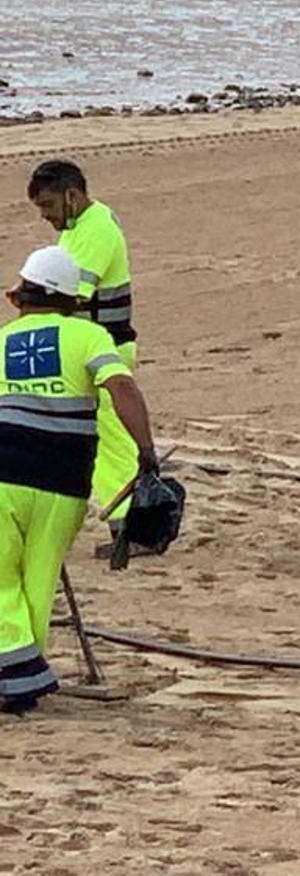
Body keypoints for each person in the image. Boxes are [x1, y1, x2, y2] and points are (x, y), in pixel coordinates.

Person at [0, 246, 158, 715]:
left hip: (5, 474)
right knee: (38, 580)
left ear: (22, 297)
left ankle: (18, 675)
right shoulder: (89, 337)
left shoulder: (4, 339)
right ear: (70, 300)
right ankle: (20, 674)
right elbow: (121, 387)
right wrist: (144, 452)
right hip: (64, 482)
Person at [26, 160, 140, 533]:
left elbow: (67, 297)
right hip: (91, 346)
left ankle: (129, 525)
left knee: (112, 442)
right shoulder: (82, 225)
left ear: (71, 196)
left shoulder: (94, 233)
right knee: (99, 439)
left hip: (103, 347)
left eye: (48, 206)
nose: (46, 216)